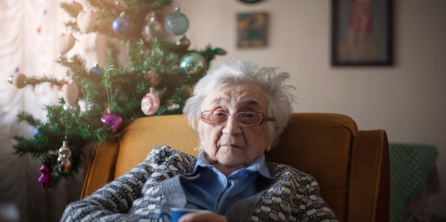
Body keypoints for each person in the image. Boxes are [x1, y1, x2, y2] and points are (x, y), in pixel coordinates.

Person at [61, 60, 337, 222]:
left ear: (270, 136)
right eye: (218, 114)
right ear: (200, 127)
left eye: (249, 115)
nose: (231, 128)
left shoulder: (294, 185)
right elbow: (77, 214)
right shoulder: (162, 162)